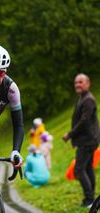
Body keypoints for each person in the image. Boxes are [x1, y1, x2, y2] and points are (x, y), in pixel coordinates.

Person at [62, 73, 100, 208]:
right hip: (88, 140)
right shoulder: (82, 98)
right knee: (88, 168)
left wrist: (69, 135)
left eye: (81, 82)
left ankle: (89, 199)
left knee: (79, 169)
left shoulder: (88, 100)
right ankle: (92, 200)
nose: (77, 84)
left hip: (88, 140)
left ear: (88, 84)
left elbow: (84, 122)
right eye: (76, 82)